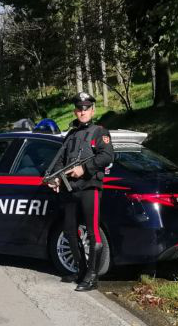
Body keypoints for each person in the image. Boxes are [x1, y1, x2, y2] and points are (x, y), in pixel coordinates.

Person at [45, 92, 114, 291]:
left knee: (92, 233)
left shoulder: (99, 132)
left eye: (86, 109)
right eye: (79, 109)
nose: (82, 112)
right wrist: (56, 177)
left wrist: (84, 169)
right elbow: (61, 159)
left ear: (93, 110)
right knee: (69, 231)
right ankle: (80, 270)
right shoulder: (72, 134)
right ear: (75, 111)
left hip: (89, 188)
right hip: (69, 189)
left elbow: (108, 155)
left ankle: (92, 276)